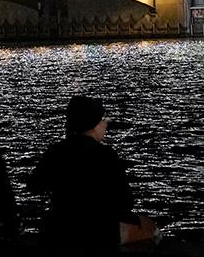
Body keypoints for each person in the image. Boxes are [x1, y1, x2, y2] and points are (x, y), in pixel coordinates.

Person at [26, 96, 156, 253]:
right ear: (95, 125)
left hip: (59, 231)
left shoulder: (56, 151)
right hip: (98, 235)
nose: (105, 124)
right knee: (150, 231)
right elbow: (126, 201)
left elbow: (34, 185)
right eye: (103, 120)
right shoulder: (106, 155)